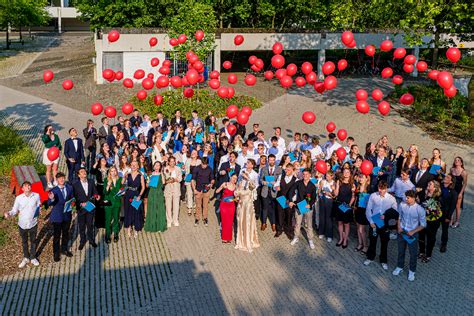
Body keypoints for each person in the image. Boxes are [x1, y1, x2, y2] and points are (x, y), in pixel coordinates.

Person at [4, 181, 41, 268]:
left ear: (30, 187)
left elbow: (39, 204)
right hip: (22, 224)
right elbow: (14, 210)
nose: (27, 187)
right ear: (22, 189)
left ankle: (33, 257)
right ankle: (26, 257)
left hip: (33, 223)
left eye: (29, 185)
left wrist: (39, 209)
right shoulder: (19, 198)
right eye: (25, 186)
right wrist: (9, 213)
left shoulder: (36, 195)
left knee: (33, 241)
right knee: (24, 242)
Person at [392, 190, 426, 282]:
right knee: (401, 251)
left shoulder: (420, 210)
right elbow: (399, 217)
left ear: (414, 198)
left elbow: (423, 224)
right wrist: (398, 227)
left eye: (408, 198)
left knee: (413, 254)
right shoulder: (402, 205)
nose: (406, 199)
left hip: (412, 234)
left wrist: (413, 231)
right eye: (406, 197)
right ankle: (399, 266)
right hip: (402, 232)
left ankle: (412, 271)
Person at [364, 180, 397, 270]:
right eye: (379, 188)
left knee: (384, 243)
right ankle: (370, 257)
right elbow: (368, 209)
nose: (380, 190)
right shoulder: (373, 196)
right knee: (372, 241)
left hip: (384, 224)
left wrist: (386, 216)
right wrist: (371, 222)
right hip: (374, 223)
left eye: (382, 189)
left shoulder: (391, 198)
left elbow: (395, 211)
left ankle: (383, 260)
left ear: (386, 189)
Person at [47, 173, 74, 261]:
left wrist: (72, 205)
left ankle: (64, 249)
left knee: (66, 233)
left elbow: (72, 198)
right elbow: (49, 203)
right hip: (57, 216)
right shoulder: (54, 190)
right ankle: (56, 253)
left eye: (63, 178)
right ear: (57, 180)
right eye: (60, 179)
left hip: (67, 215)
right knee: (57, 236)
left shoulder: (69, 188)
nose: (62, 180)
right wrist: (51, 199)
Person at [289, 168, 317, 249]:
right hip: (299, 206)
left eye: (306, 174)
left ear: (310, 175)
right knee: (298, 223)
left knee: (309, 224)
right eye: (303, 174)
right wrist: (290, 200)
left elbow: (314, 197)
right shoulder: (298, 183)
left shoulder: (312, 186)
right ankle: (296, 237)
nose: (305, 176)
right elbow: (291, 191)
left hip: (308, 207)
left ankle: (310, 239)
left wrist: (310, 204)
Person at [72, 167, 99, 250]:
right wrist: (80, 204)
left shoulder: (91, 182)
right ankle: (82, 241)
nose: (84, 172)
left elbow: (95, 192)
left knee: (90, 225)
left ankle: (91, 240)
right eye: (82, 172)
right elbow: (74, 197)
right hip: (81, 209)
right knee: (82, 226)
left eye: (84, 171)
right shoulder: (75, 185)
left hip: (90, 207)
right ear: (79, 175)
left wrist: (97, 196)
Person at [418, 180, 442, 263]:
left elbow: (435, 209)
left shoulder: (437, 197)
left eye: (430, 184)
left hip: (433, 222)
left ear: (435, 188)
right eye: (428, 183)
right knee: (421, 236)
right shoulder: (423, 193)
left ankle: (428, 255)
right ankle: (421, 252)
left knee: (430, 238)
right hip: (422, 219)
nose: (428, 184)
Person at [234, 175, 260, 253]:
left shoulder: (250, 184)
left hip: (248, 208)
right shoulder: (240, 183)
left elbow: (254, 186)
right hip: (241, 207)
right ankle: (241, 241)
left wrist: (248, 179)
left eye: (245, 176)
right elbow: (236, 193)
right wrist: (238, 189)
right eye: (243, 176)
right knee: (241, 223)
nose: (244, 177)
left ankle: (249, 241)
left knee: (248, 223)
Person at [334, 168, 355, 248]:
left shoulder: (352, 184)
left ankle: (345, 240)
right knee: (339, 223)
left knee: (346, 224)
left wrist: (349, 205)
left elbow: (353, 197)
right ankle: (341, 238)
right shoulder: (339, 182)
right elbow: (336, 194)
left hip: (347, 206)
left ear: (350, 173)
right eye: (344, 172)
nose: (346, 173)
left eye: (347, 172)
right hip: (339, 205)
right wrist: (335, 187)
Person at [260, 154, 282, 232]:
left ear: (275, 160)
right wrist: (263, 182)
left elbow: (280, 180)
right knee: (265, 208)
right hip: (265, 191)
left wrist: (275, 183)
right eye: (270, 160)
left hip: (274, 192)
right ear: (268, 161)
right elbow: (261, 179)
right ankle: (263, 223)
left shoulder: (279, 169)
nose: (271, 161)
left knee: (273, 209)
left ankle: (273, 224)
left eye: (273, 160)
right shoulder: (264, 169)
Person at [123, 161, 145, 238]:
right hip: (128, 194)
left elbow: (143, 187)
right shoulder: (128, 174)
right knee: (128, 211)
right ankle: (129, 228)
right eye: (132, 165)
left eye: (135, 165)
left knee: (136, 211)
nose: (133, 166)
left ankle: (136, 228)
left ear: (138, 166)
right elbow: (122, 183)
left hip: (136, 194)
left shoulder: (140, 176)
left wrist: (139, 195)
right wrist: (124, 177)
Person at [274, 163, 297, 239]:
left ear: (292, 170)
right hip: (280, 198)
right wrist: (276, 187)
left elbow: (296, 192)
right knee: (279, 214)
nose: (286, 171)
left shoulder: (295, 179)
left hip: (289, 201)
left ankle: (289, 231)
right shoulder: (281, 176)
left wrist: (291, 200)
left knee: (289, 216)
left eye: (288, 170)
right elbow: (276, 185)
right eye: (286, 169)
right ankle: (279, 230)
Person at [144, 161, 167, 233]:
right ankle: (151, 226)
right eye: (156, 165)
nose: (157, 166)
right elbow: (147, 185)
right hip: (152, 193)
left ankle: (160, 226)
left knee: (160, 209)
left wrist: (162, 173)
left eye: (158, 165)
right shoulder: (150, 174)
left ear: (160, 167)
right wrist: (148, 182)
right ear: (153, 166)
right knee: (151, 209)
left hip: (159, 193)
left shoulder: (161, 174)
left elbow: (163, 183)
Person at [192, 157, 215, 226]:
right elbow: (192, 180)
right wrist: (194, 190)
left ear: (207, 164)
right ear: (201, 162)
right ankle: (197, 218)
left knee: (205, 205)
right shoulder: (196, 168)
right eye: (203, 164)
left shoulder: (210, 169)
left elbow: (212, 179)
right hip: (198, 189)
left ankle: (205, 218)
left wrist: (211, 183)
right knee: (198, 205)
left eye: (205, 164)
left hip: (206, 190)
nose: (204, 166)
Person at [216, 174, 238, 243]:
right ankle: (224, 238)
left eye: (236, 179)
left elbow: (237, 198)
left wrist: (234, 199)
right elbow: (217, 191)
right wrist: (222, 188)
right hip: (224, 205)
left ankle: (229, 238)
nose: (234, 179)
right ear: (230, 177)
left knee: (230, 221)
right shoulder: (225, 184)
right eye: (233, 178)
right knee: (224, 221)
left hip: (231, 205)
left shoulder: (236, 187)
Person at [439, 174, 458, 253]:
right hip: (435, 211)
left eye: (447, 177)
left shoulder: (453, 193)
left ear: (451, 181)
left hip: (445, 214)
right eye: (445, 176)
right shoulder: (439, 187)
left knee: (444, 230)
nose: (445, 178)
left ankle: (444, 244)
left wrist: (449, 217)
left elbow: (453, 206)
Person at [103, 166, 122, 243]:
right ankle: (107, 234)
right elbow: (105, 192)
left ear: (116, 172)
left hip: (117, 202)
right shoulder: (106, 180)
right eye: (111, 171)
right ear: (109, 172)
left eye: (114, 171)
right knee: (108, 219)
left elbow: (119, 191)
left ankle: (116, 233)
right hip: (108, 202)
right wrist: (108, 185)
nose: (113, 173)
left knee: (116, 218)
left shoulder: (119, 180)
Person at [163, 156, 182, 227]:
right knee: (168, 205)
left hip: (176, 188)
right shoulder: (165, 169)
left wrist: (174, 180)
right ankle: (169, 220)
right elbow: (165, 179)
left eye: (173, 161)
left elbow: (180, 179)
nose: (172, 163)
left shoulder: (178, 169)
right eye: (171, 161)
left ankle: (175, 220)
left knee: (176, 205)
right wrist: (168, 180)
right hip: (168, 189)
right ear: (168, 162)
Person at [318, 170, 336, 242]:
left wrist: (330, 193)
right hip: (322, 199)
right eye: (326, 175)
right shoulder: (323, 181)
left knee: (328, 218)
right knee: (322, 216)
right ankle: (321, 232)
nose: (327, 177)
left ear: (332, 176)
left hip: (329, 201)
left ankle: (329, 235)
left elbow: (334, 196)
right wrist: (322, 192)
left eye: (328, 176)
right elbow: (319, 191)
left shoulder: (334, 183)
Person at [42, 124, 62, 189]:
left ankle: (55, 180)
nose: (52, 129)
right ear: (47, 130)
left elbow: (59, 144)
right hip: (48, 153)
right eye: (50, 129)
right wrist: (47, 134)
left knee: (55, 168)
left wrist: (58, 147)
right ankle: (48, 182)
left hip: (55, 152)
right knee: (49, 168)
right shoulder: (45, 136)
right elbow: (45, 141)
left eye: (52, 128)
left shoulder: (56, 136)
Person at [354, 174, 370, 253]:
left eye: (362, 177)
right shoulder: (357, 187)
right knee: (358, 228)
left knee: (362, 230)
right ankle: (360, 244)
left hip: (364, 210)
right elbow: (355, 197)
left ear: (366, 178)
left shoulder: (369, 188)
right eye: (359, 177)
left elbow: (370, 201)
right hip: (357, 209)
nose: (360, 179)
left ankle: (365, 246)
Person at [450, 156, 467, 228]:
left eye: (458, 160)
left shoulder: (464, 172)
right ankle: (451, 220)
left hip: (459, 190)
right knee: (451, 205)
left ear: (461, 162)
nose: (456, 161)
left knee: (457, 206)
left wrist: (460, 193)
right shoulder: (452, 169)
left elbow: (465, 183)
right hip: (452, 189)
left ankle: (457, 221)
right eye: (455, 160)